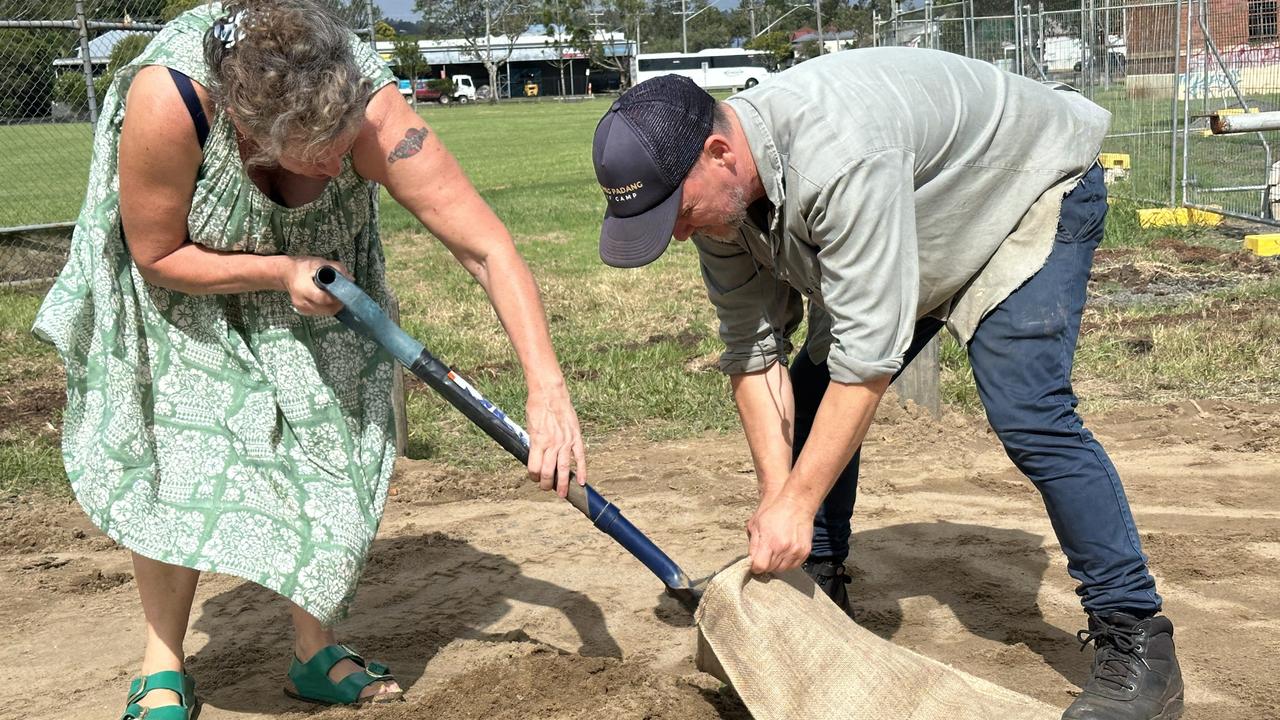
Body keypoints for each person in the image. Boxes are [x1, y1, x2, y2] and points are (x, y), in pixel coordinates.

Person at [33, 1, 588, 717]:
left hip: (324, 269)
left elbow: (486, 247)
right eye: (315, 150)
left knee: (334, 440)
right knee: (182, 444)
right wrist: (274, 271)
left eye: (344, 138)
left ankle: (314, 649)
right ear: (248, 128)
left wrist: (546, 387)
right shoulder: (170, 102)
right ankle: (162, 662)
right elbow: (157, 253)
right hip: (184, 271)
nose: (339, 162)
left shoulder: (375, 112)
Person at [590, 50, 1182, 720]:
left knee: (1029, 411)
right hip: (921, 210)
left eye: (673, 210)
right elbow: (753, 356)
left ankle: (1138, 644)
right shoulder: (717, 205)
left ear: (720, 152)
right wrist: (780, 498)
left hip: (1023, 187)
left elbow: (868, 360)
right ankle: (814, 590)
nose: (673, 231)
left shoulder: (839, 156)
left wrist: (796, 504)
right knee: (812, 394)